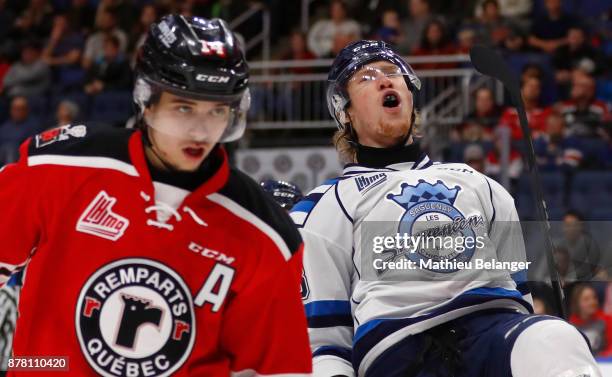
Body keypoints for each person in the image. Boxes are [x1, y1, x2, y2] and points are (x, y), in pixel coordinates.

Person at [0, 15, 311, 376]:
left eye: (217, 111)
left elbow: (276, 368)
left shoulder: (267, 236)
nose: (200, 129)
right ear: (147, 102)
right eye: (184, 107)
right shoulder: (59, 165)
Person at [292, 40, 600, 377]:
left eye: (394, 72)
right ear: (345, 112)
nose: (385, 80)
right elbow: (324, 342)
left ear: (410, 95)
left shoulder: (478, 184)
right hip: (399, 349)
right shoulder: (324, 206)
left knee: (554, 338)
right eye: (366, 78)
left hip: (491, 329)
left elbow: (518, 295)